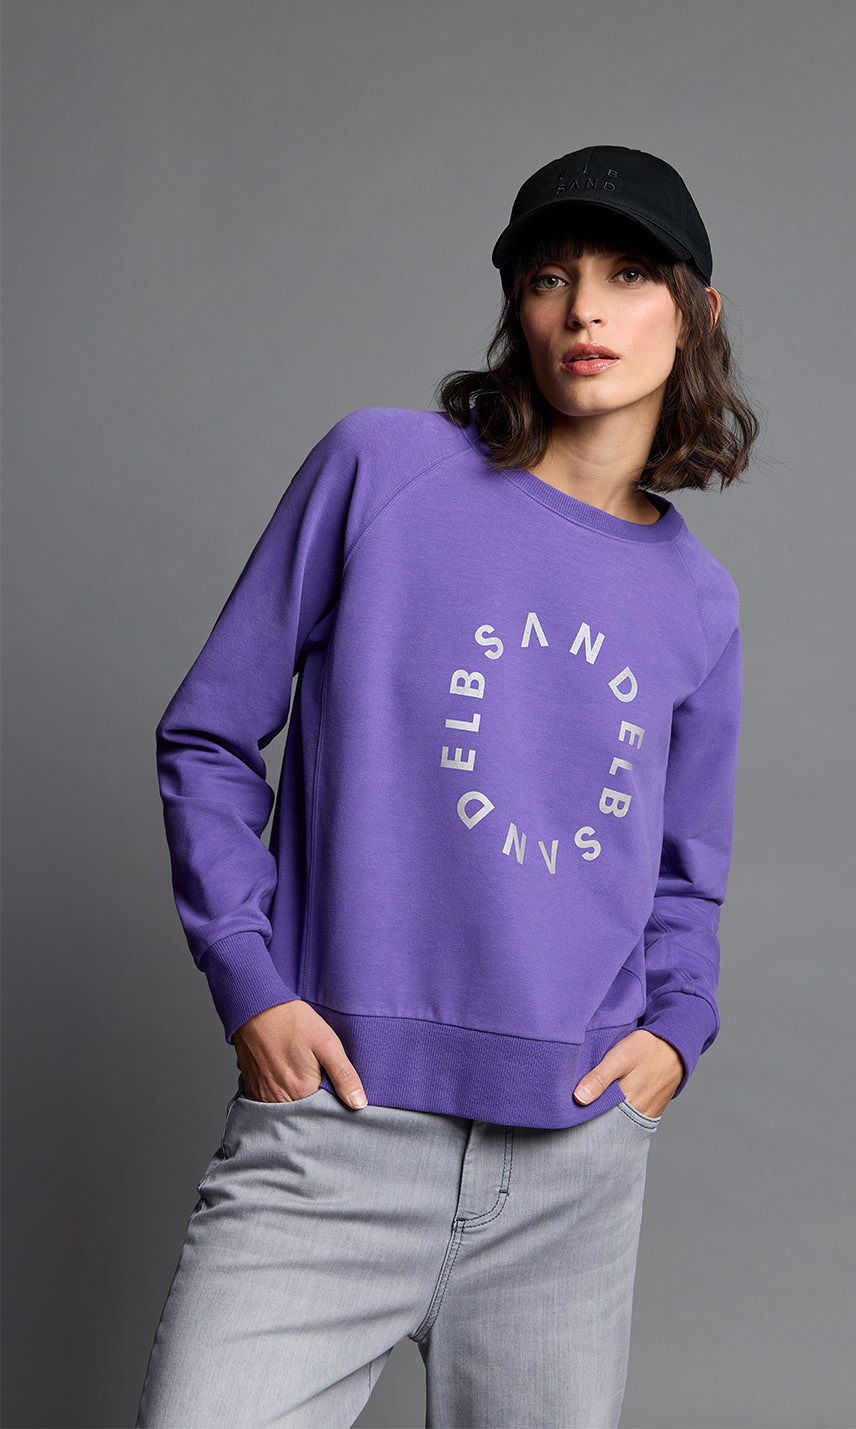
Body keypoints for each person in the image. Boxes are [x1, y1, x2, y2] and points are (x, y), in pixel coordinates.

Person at [135, 144, 760, 1429]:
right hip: (337, 1131)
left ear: (695, 312)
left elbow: (684, 879)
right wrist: (251, 983)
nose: (584, 311)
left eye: (627, 275)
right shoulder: (382, 471)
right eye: (549, 278)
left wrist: (673, 1037)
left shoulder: (699, 601)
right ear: (517, 309)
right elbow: (208, 736)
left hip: (569, 1170)